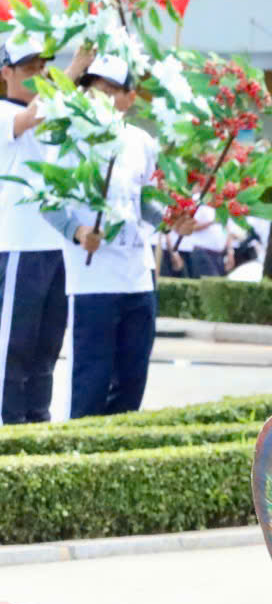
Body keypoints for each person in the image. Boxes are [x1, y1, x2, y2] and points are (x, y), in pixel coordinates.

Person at [55, 56, 163, 418]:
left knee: (132, 383)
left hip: (138, 278)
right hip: (92, 280)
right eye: (92, 88)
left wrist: (171, 219)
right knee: (91, 383)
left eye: (109, 90)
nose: (97, 96)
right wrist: (78, 230)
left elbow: (146, 200)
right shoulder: (71, 139)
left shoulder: (141, 142)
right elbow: (48, 202)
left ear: (129, 98)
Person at [0, 38, 89, 423]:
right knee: (14, 346)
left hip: (56, 246)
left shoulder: (54, 112)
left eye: (42, 67)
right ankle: (8, 426)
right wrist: (71, 72)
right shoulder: (5, 112)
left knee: (48, 347)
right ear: (5, 73)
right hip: (18, 244)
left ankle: (38, 423)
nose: (37, 75)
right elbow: (29, 118)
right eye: (29, 68)